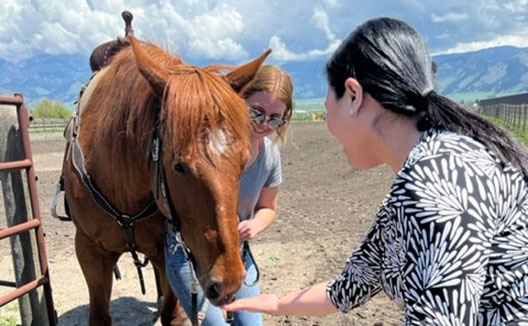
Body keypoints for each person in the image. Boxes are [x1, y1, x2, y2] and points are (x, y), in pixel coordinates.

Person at [223, 17, 528, 325]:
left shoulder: (435, 183)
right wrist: (277, 304)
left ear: (353, 96)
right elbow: (349, 287)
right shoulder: (429, 171)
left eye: (329, 107)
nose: (329, 125)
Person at [165, 64, 294, 326]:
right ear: (239, 100)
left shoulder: (269, 156)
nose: (265, 124)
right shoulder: (206, 146)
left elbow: (268, 207)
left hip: (236, 252)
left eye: (275, 118)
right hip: (190, 253)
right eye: (257, 113)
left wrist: (256, 224)